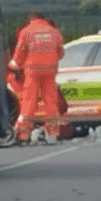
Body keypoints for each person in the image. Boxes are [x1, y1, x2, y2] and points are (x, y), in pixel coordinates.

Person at [10, 12, 64, 143]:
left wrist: (14, 65)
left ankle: (24, 134)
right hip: (50, 70)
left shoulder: (26, 32)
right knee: (51, 101)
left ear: (31, 19)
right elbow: (60, 52)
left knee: (29, 100)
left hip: (32, 70)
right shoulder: (54, 31)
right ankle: (53, 132)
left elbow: (20, 52)